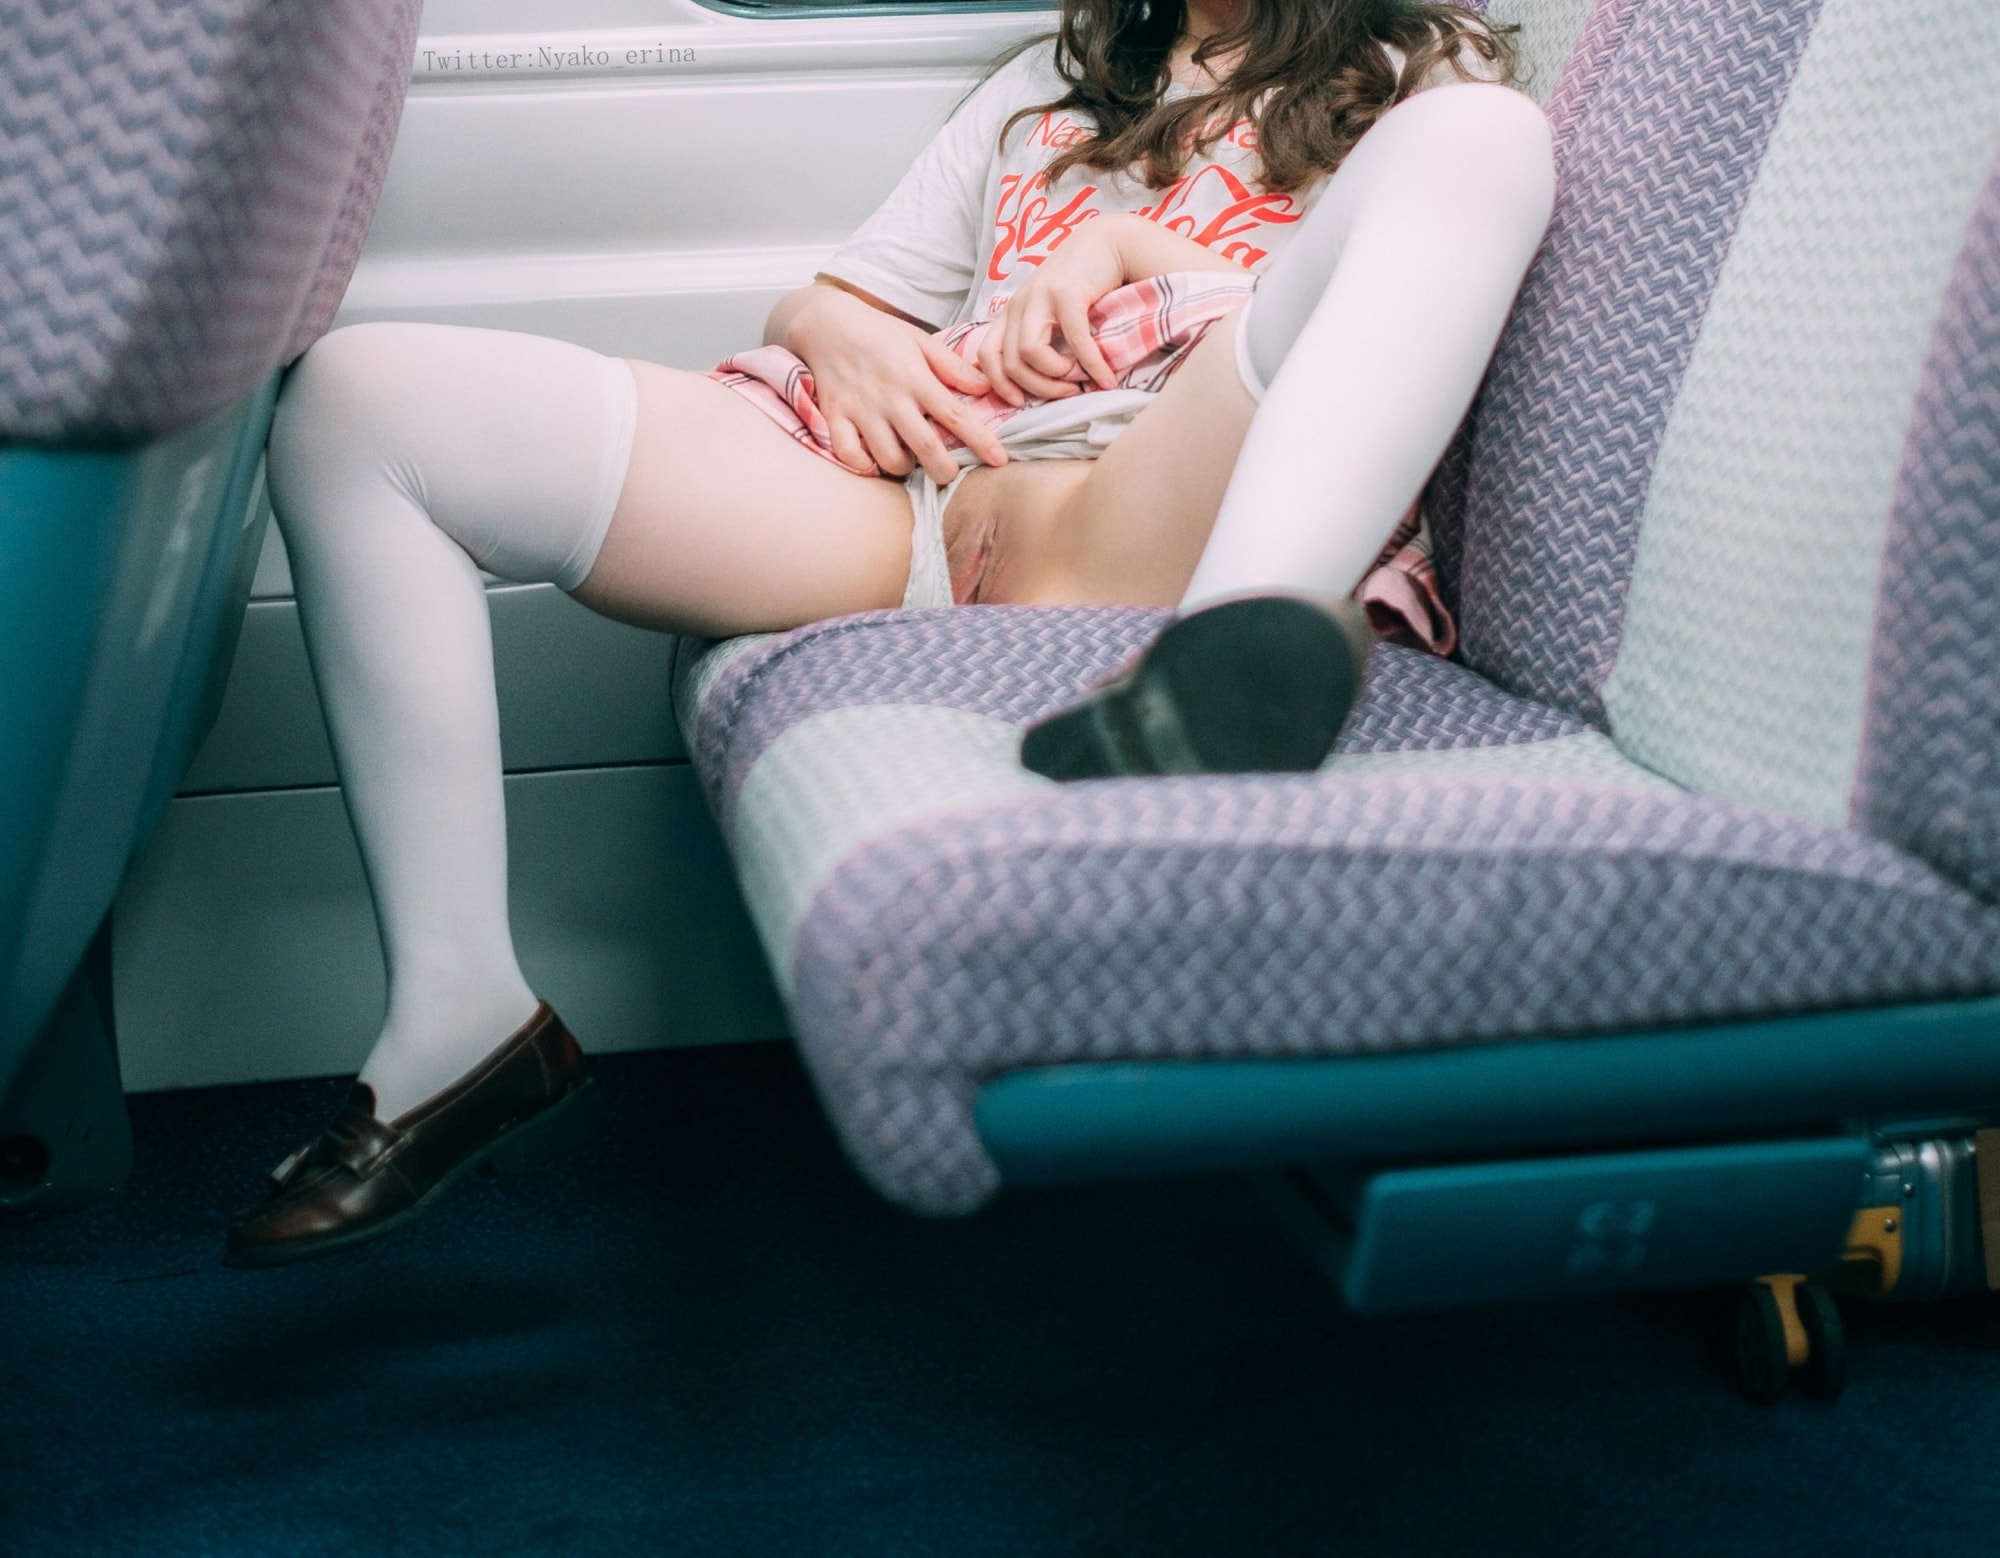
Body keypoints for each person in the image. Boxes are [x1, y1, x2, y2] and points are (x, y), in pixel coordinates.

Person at [225, 0, 1556, 1267]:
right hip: (910, 507)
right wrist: (841, 336)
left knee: (1485, 138)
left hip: (1158, 503)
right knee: (361, 401)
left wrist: (1138, 252)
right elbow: (837, 302)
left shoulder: (1412, 69)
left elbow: (1390, 310)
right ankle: (461, 1013)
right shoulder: (1049, 87)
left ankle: (1226, 659)